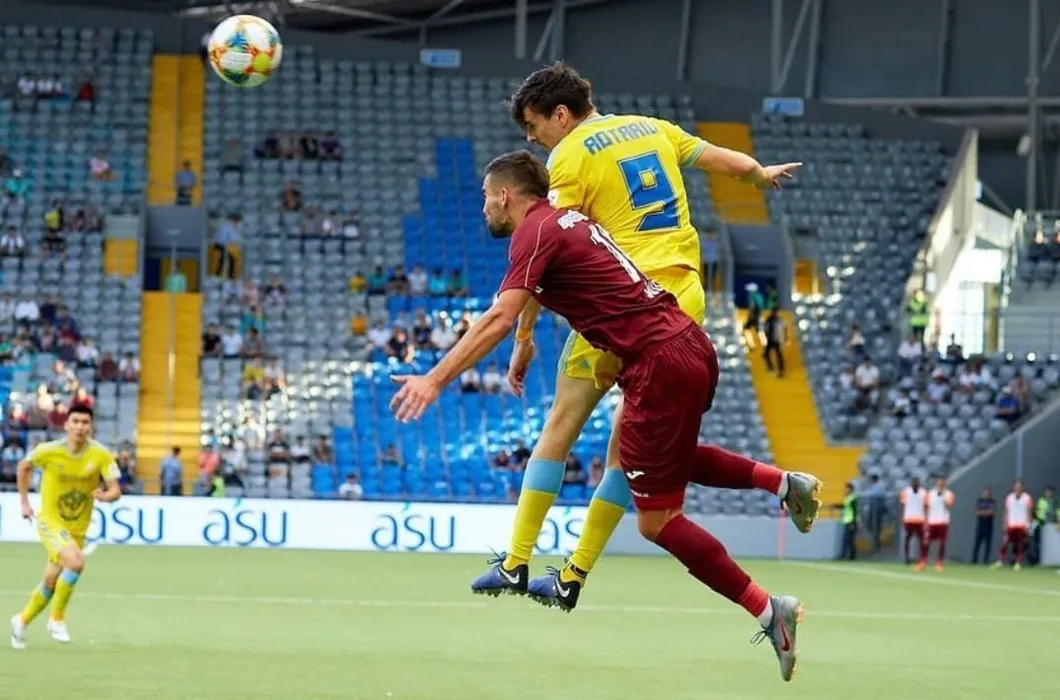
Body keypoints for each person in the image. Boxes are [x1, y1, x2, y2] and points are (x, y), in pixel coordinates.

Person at [390, 152, 805, 682]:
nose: (484, 207)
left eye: (485, 198)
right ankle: (782, 483)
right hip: (685, 347)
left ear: (504, 196)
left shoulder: (534, 232)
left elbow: (499, 316)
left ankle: (768, 610)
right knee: (659, 459)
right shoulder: (567, 219)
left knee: (658, 520)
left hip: (659, 363)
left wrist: (434, 379)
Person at [470, 62, 816, 606]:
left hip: (627, 300)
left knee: (560, 424)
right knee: (625, 453)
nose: (532, 139)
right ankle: (573, 576)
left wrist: (524, 337)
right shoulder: (651, 127)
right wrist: (760, 174)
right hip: (685, 301)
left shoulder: (570, 155)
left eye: (534, 126)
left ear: (561, 115)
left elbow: (547, 248)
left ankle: (516, 561)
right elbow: (727, 161)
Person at [9, 405, 121, 649]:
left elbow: (115, 490)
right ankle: (57, 619)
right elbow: (23, 466)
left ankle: (21, 621)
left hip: (77, 528)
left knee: (51, 581)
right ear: (66, 425)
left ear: (91, 427)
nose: (80, 427)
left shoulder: (100, 455)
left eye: (85, 422)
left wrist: (106, 495)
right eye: (76, 421)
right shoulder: (48, 451)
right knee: (76, 562)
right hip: (50, 521)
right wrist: (25, 503)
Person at [994, 479, 1034, 570]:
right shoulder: (1010, 497)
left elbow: (1029, 512)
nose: (1017, 488)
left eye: (1019, 487)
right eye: (1016, 486)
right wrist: (1005, 523)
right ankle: (1000, 561)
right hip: (1011, 524)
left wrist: (1029, 525)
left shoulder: (1027, 498)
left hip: (1022, 525)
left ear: (1023, 488)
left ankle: (1018, 562)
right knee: (1004, 543)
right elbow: (1006, 511)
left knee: (1020, 545)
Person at [919, 475, 953, 572]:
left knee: (942, 543)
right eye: (939, 481)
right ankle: (922, 562)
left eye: (942, 481)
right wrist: (925, 520)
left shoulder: (949, 494)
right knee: (926, 542)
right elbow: (927, 507)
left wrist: (943, 497)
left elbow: (948, 507)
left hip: (943, 521)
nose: (941, 483)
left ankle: (939, 563)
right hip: (932, 522)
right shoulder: (931, 494)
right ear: (937, 482)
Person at [899, 476, 926, 565]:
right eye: (914, 482)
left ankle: (921, 557)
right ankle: (907, 557)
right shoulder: (906, 492)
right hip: (909, 518)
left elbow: (925, 505)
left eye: (916, 482)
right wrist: (902, 516)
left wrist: (926, 518)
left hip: (920, 519)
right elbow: (903, 505)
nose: (915, 484)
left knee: (921, 540)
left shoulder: (923, 492)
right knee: (907, 539)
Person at [971, 487, 996, 564]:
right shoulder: (979, 501)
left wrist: (983, 512)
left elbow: (992, 512)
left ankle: (986, 561)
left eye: (987, 493)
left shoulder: (992, 502)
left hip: (988, 527)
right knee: (977, 544)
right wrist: (985, 512)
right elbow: (976, 512)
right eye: (985, 493)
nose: (986, 495)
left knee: (988, 545)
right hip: (980, 526)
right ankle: (974, 560)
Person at [839, 482, 858, 561]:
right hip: (847, 521)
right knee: (847, 540)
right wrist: (835, 506)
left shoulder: (853, 498)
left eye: (847, 488)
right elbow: (845, 506)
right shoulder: (848, 497)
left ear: (851, 489)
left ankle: (851, 556)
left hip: (851, 522)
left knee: (849, 540)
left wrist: (853, 523)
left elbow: (855, 511)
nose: (845, 490)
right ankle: (847, 556)